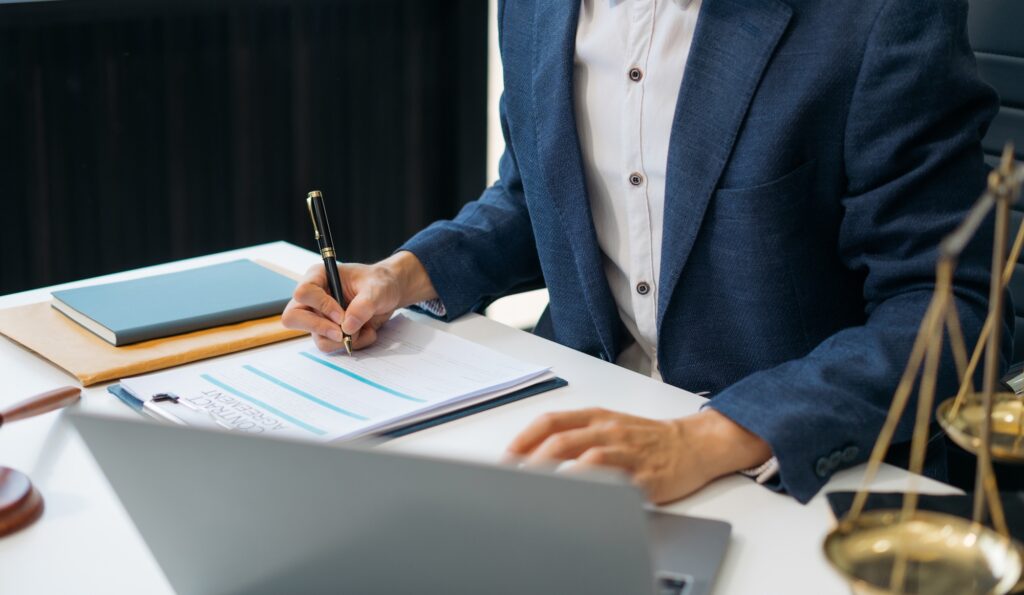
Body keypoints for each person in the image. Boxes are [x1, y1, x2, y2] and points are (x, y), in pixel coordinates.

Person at [283, 0, 1005, 504]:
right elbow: (543, 192)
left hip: (793, 469)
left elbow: (954, 310)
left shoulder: (880, 16)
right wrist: (404, 272)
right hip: (580, 435)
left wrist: (712, 438)